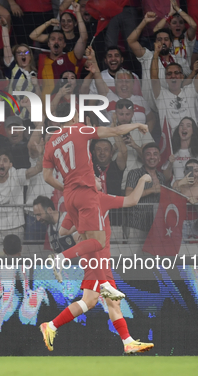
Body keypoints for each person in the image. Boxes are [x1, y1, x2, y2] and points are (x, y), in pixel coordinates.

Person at [39, 174, 155, 354]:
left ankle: (127, 341)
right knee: (105, 302)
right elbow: (132, 200)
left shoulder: (78, 203)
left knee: (94, 301)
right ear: (88, 183)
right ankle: (52, 326)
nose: (101, 180)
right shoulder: (100, 199)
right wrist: (143, 180)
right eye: (97, 178)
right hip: (97, 259)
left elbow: (63, 230)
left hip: (93, 258)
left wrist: (80, 229)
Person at [42, 105, 149, 283]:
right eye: (77, 114)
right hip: (85, 193)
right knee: (99, 242)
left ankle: (102, 285)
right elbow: (115, 131)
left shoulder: (50, 144)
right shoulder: (79, 129)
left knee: (86, 239)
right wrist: (137, 125)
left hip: (69, 197)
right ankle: (61, 258)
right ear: (74, 116)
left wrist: (66, 188)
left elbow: (47, 177)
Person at [127, 12, 191, 111]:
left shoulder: (179, 60)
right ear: (155, 43)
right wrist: (144, 21)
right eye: (159, 39)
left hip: (172, 109)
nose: (162, 42)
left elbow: (188, 81)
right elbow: (131, 41)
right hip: (150, 111)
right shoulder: (147, 56)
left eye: (166, 39)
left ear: (170, 43)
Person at [125, 142, 167, 242]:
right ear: (143, 158)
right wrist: (151, 190)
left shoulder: (161, 177)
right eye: (148, 154)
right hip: (136, 225)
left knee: (154, 257)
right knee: (133, 256)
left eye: (155, 154)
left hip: (156, 227)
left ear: (159, 158)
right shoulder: (134, 173)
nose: (152, 157)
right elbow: (128, 195)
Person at [152, 0, 197, 68]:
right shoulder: (166, 39)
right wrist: (170, 14)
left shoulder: (187, 39)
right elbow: (155, 30)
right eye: (174, 23)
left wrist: (177, 9)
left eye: (181, 22)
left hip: (185, 74)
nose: (178, 25)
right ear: (169, 26)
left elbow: (194, 25)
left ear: (184, 26)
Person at [164, 117, 198, 182]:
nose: (184, 128)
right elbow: (166, 178)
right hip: (176, 189)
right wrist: (170, 164)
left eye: (188, 126)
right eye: (181, 125)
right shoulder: (171, 151)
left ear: (193, 130)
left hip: (194, 189)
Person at [172, 158, 198, 240]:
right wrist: (181, 183)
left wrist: (197, 204)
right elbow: (170, 200)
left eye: (196, 171)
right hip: (179, 223)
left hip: (196, 223)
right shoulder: (177, 183)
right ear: (184, 173)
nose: (193, 174)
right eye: (189, 170)